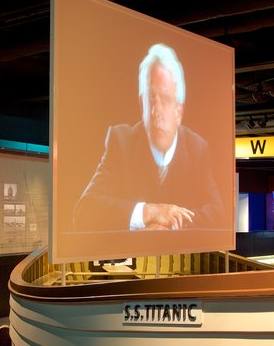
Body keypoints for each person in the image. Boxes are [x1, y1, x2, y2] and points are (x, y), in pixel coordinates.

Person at [72, 43, 224, 231]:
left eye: (166, 100)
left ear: (179, 111)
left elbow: (217, 214)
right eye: (150, 99)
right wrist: (149, 212)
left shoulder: (197, 148)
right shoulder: (121, 141)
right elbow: (84, 211)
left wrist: (170, 227)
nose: (156, 111)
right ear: (141, 103)